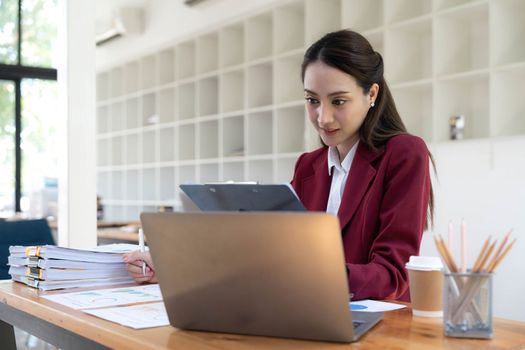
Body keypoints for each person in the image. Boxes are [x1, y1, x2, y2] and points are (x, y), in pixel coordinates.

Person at [124, 29, 434, 301]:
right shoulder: (309, 166)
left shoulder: (404, 154)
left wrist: (306, 276)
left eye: (338, 101)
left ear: (372, 94)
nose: (322, 118)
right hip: (308, 311)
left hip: (379, 325)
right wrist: (169, 268)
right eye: (312, 100)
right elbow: (273, 254)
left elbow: (393, 274)